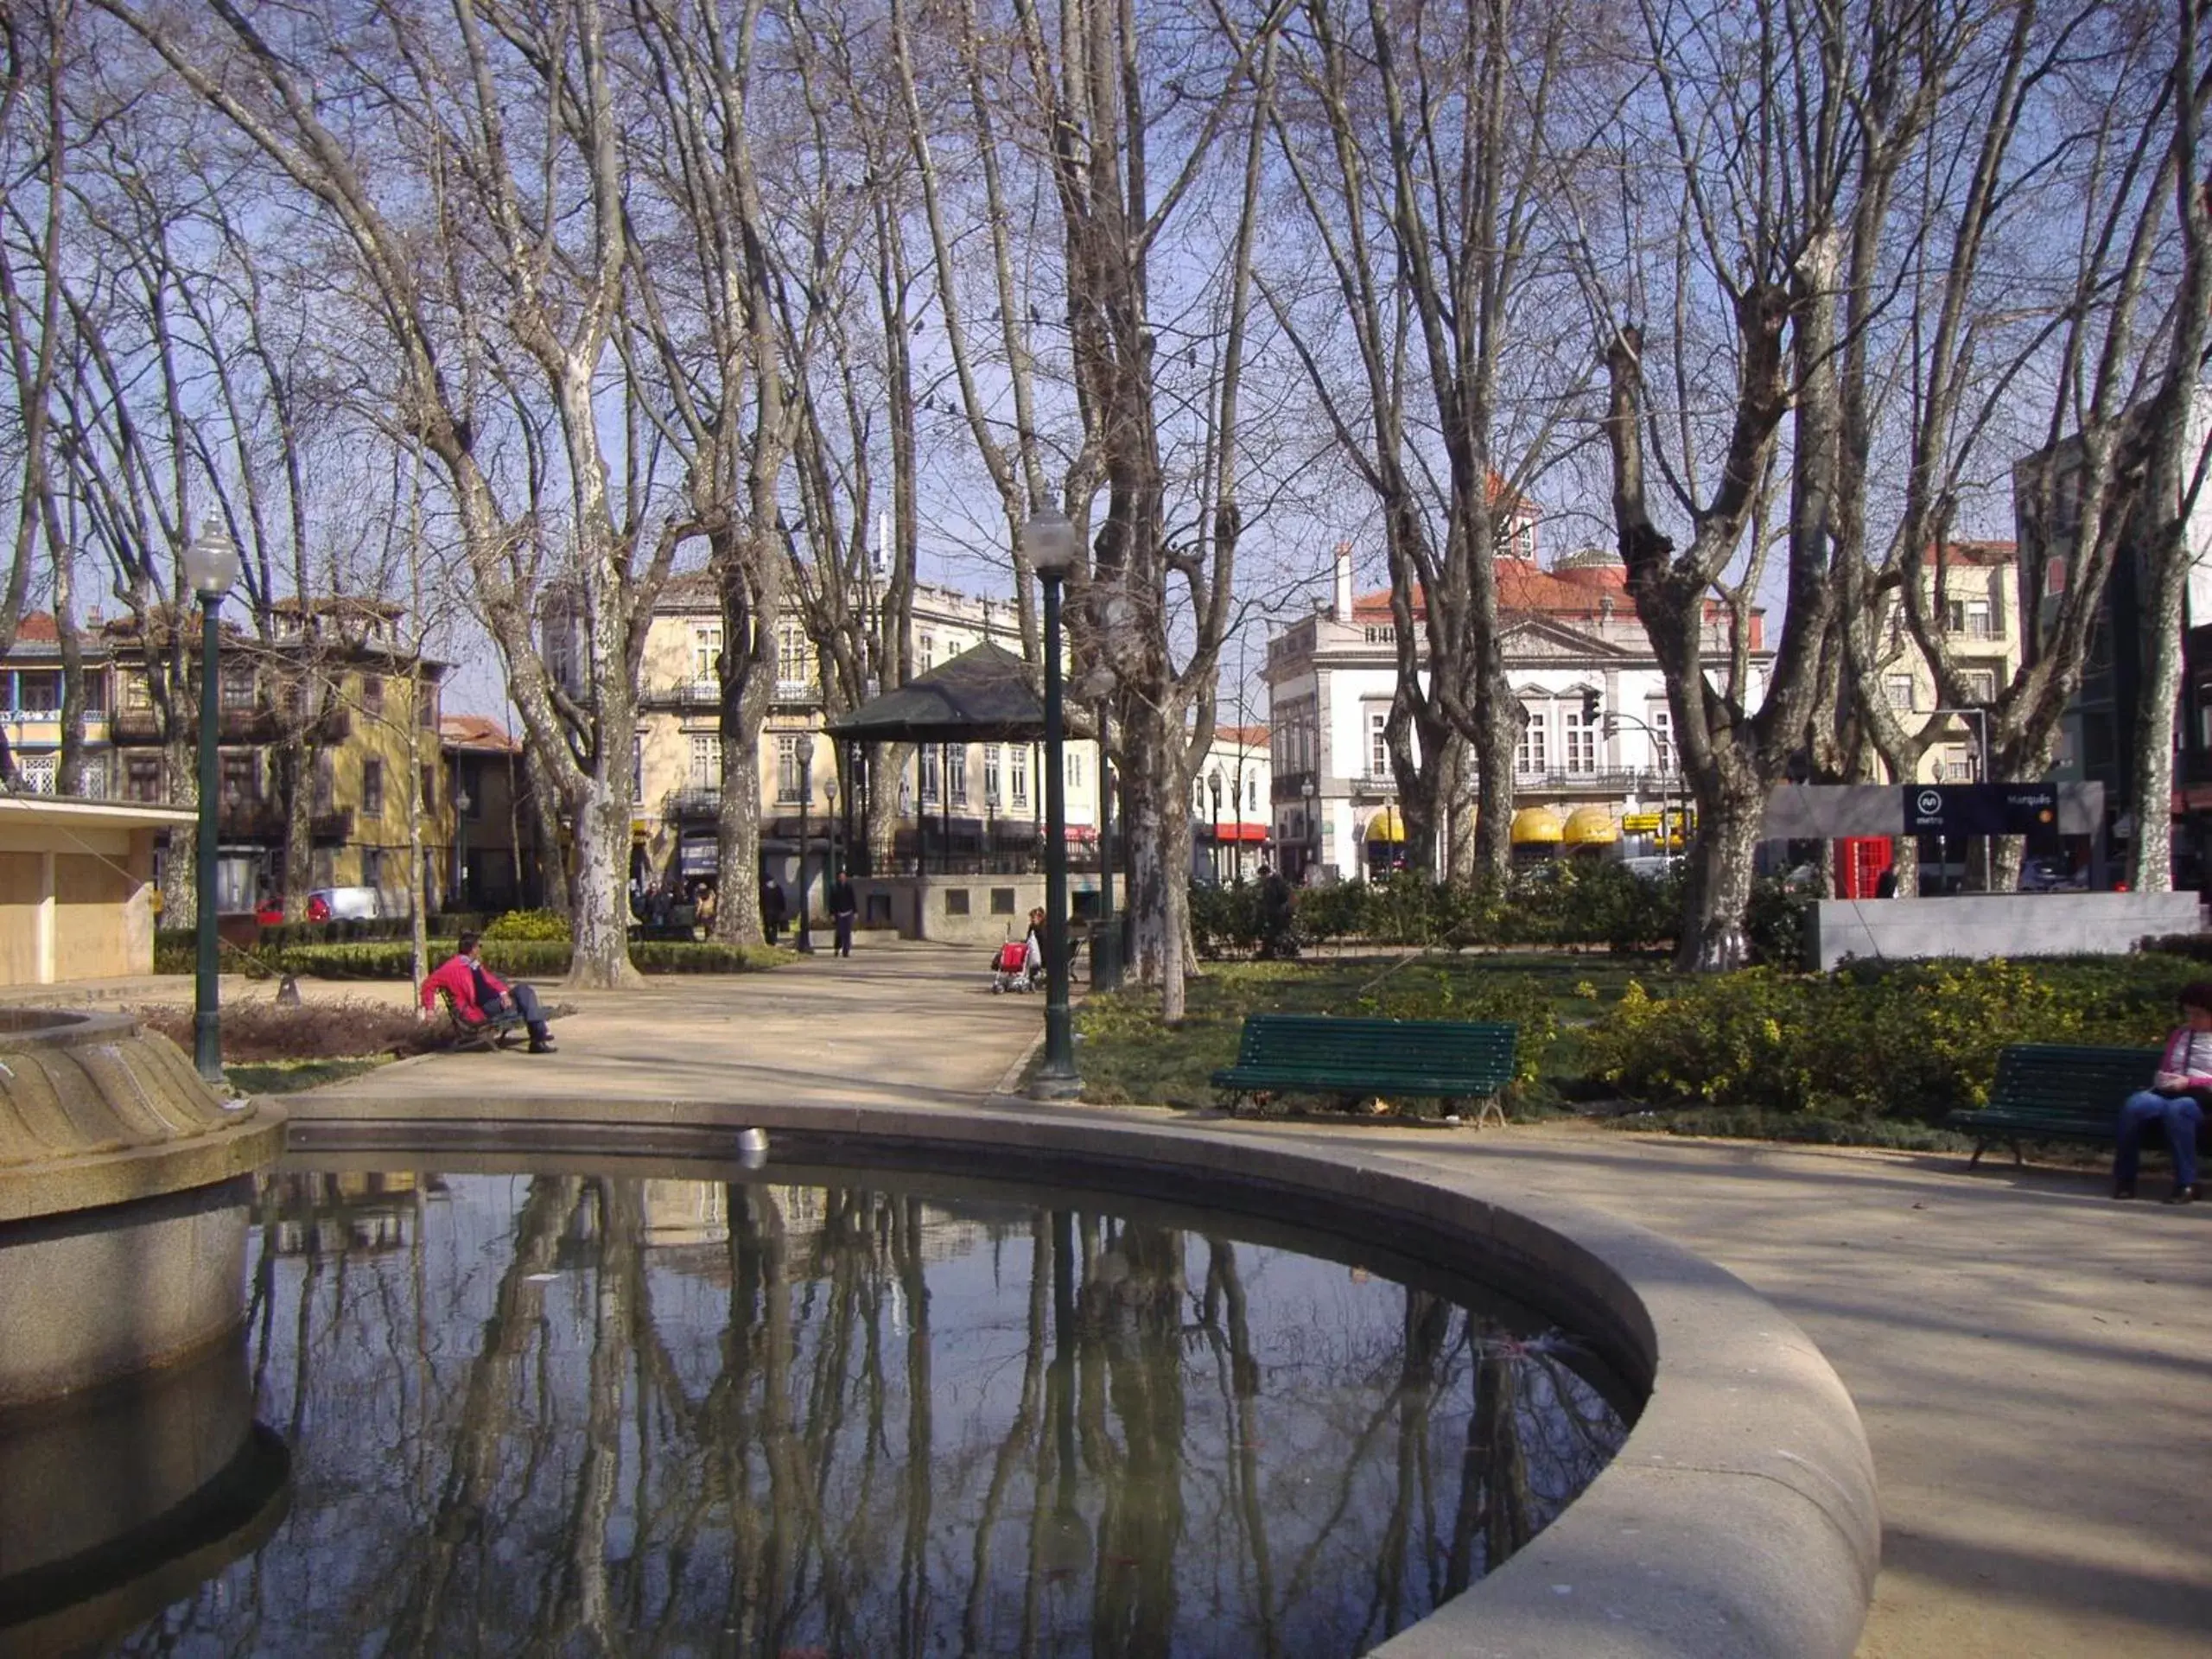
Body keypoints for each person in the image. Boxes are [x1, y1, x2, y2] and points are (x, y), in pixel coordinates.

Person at [2113, 981, 2212, 1204]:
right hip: (2171, 1091)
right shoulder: (2181, 1034)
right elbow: (2168, 1064)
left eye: (2199, 1015)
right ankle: (2125, 1179)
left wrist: (2189, 1081)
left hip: (2204, 1097)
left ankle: (2186, 1184)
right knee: (2135, 1105)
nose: (2192, 1020)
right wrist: (2163, 1077)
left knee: (2178, 1110)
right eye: (2189, 1014)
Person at [420, 930, 556, 1054]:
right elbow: (428, 984)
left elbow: (492, 981)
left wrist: (503, 994)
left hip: (496, 1001)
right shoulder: (452, 968)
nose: (480, 949)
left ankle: (538, 1036)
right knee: (526, 998)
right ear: (472, 949)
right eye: (479, 946)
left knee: (524, 990)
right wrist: (430, 1009)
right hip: (482, 1008)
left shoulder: (473, 964)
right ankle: (538, 1036)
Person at [1257, 860, 1296, 960]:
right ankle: (1270, 952)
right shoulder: (1274, 881)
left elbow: (1280, 897)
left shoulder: (1274, 882)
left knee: (1274, 933)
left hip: (1279, 912)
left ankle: (1275, 952)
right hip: (1277, 912)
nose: (1260, 879)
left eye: (1261, 876)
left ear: (1265, 874)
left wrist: (1281, 908)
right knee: (1272, 933)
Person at [829, 873, 858, 957]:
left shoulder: (849, 887)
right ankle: (837, 948)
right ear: (838, 878)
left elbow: (853, 900)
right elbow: (831, 902)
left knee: (847, 933)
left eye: (844, 877)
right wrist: (832, 914)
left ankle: (846, 951)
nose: (842, 878)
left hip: (848, 912)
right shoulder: (835, 888)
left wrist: (855, 912)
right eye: (841, 877)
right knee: (839, 933)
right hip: (839, 913)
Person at [760, 874, 786, 944]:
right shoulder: (778, 888)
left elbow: (762, 900)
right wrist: (782, 908)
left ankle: (769, 939)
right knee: (774, 926)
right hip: (776, 911)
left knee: (767, 926)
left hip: (768, 910)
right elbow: (782, 899)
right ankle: (774, 939)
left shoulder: (764, 889)